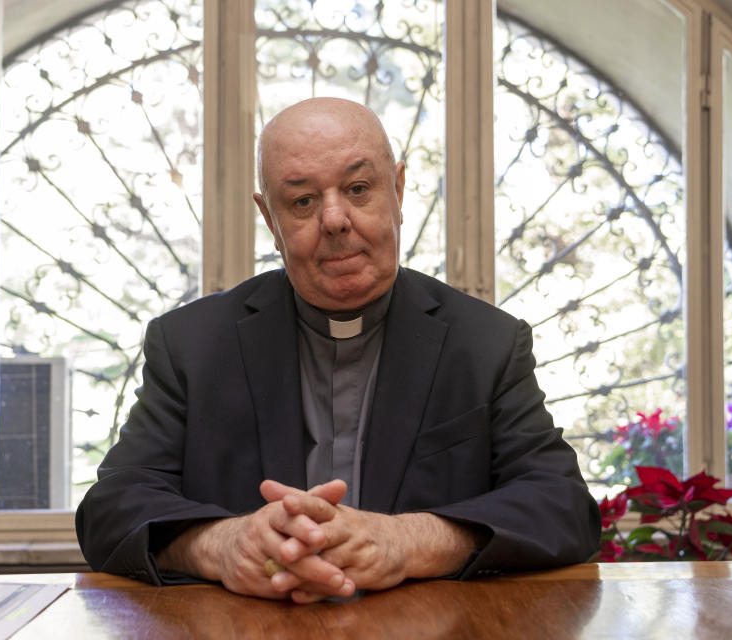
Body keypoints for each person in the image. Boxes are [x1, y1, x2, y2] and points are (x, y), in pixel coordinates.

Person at [76, 97, 600, 603]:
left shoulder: (485, 343)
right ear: (269, 218)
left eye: (358, 188)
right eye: (302, 200)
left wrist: (408, 542)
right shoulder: (192, 345)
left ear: (397, 188)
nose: (334, 219)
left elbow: (563, 506)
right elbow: (111, 507)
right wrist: (221, 545)